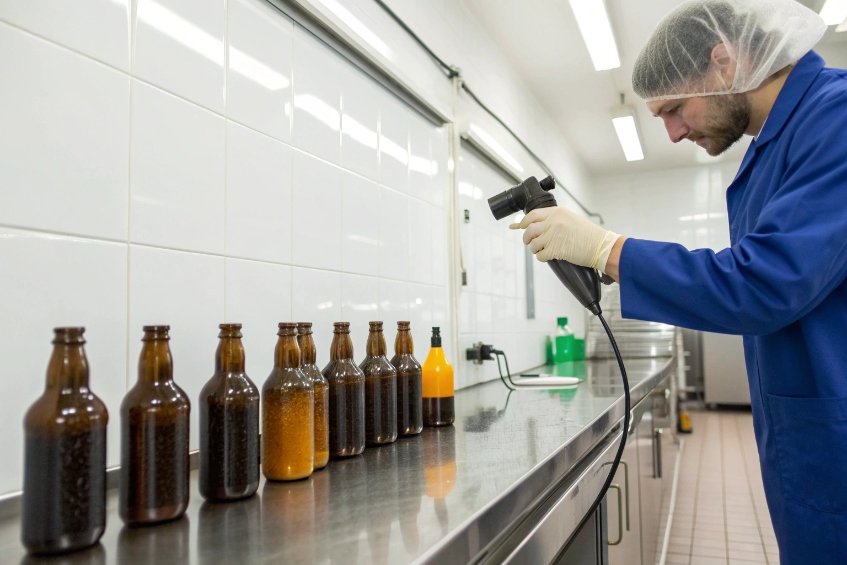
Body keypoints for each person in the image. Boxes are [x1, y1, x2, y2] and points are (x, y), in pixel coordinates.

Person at [509, 1, 847, 563]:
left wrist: (606, 248)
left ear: (723, 63)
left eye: (673, 108)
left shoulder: (836, 118)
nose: (670, 133)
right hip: (809, 435)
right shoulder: (771, 148)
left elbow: (762, 284)